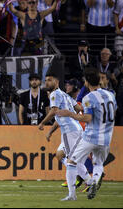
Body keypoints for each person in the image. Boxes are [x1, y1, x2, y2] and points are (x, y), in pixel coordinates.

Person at [56, 67, 117, 200]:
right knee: (98, 164)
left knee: (72, 162)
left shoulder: (88, 98)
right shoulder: (110, 95)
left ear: (87, 82)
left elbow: (87, 118)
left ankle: (72, 195)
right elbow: (114, 113)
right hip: (106, 138)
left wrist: (70, 114)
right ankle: (94, 180)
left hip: (91, 137)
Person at [38, 71, 93, 201]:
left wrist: (42, 122)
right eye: (45, 80)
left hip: (70, 131)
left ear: (56, 82)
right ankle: (88, 183)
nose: (47, 82)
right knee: (62, 155)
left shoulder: (55, 94)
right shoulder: (65, 95)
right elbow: (78, 108)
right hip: (73, 130)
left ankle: (79, 190)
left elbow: (54, 111)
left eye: (50, 80)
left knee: (71, 162)